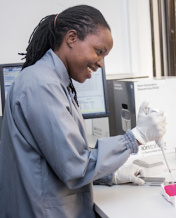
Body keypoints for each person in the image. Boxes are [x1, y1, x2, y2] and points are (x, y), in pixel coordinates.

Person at [0, 5, 166, 218]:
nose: (100, 63)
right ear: (71, 38)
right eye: (99, 52)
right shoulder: (42, 85)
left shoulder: (54, 82)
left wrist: (109, 175)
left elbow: (57, 160)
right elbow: (74, 167)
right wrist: (136, 137)